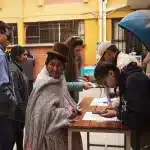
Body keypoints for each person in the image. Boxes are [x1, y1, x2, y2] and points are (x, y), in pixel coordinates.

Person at [24, 43, 83, 150]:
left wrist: (72, 107)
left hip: (62, 129)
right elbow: (44, 114)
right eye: (52, 64)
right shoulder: (44, 82)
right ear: (46, 64)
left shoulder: (60, 79)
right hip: (48, 138)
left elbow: (65, 98)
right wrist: (66, 113)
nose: (55, 68)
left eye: (59, 65)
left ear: (64, 68)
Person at [94, 62, 150, 150]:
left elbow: (137, 118)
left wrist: (117, 113)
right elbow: (129, 105)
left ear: (111, 73)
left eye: (105, 83)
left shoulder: (134, 80)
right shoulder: (124, 80)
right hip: (139, 135)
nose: (108, 86)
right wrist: (117, 108)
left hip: (145, 135)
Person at [97, 41, 140, 108]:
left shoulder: (122, 63)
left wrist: (114, 105)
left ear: (108, 53)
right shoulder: (122, 58)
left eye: (103, 59)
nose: (105, 62)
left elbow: (126, 92)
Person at [0, 21, 17, 150]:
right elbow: (2, 86)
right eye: (7, 35)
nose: (8, 39)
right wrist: (13, 101)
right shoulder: (0, 55)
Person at [10, 46, 29, 150]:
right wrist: (23, 109)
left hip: (20, 111)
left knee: (19, 138)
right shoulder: (14, 70)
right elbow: (16, 92)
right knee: (14, 139)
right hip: (16, 112)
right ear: (17, 56)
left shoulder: (19, 68)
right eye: (24, 55)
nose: (27, 57)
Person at [64, 36, 92, 103]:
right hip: (66, 101)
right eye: (77, 50)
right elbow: (62, 85)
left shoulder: (75, 60)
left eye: (80, 50)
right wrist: (81, 85)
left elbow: (72, 79)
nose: (79, 53)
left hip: (73, 100)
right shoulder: (64, 63)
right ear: (70, 50)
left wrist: (79, 79)